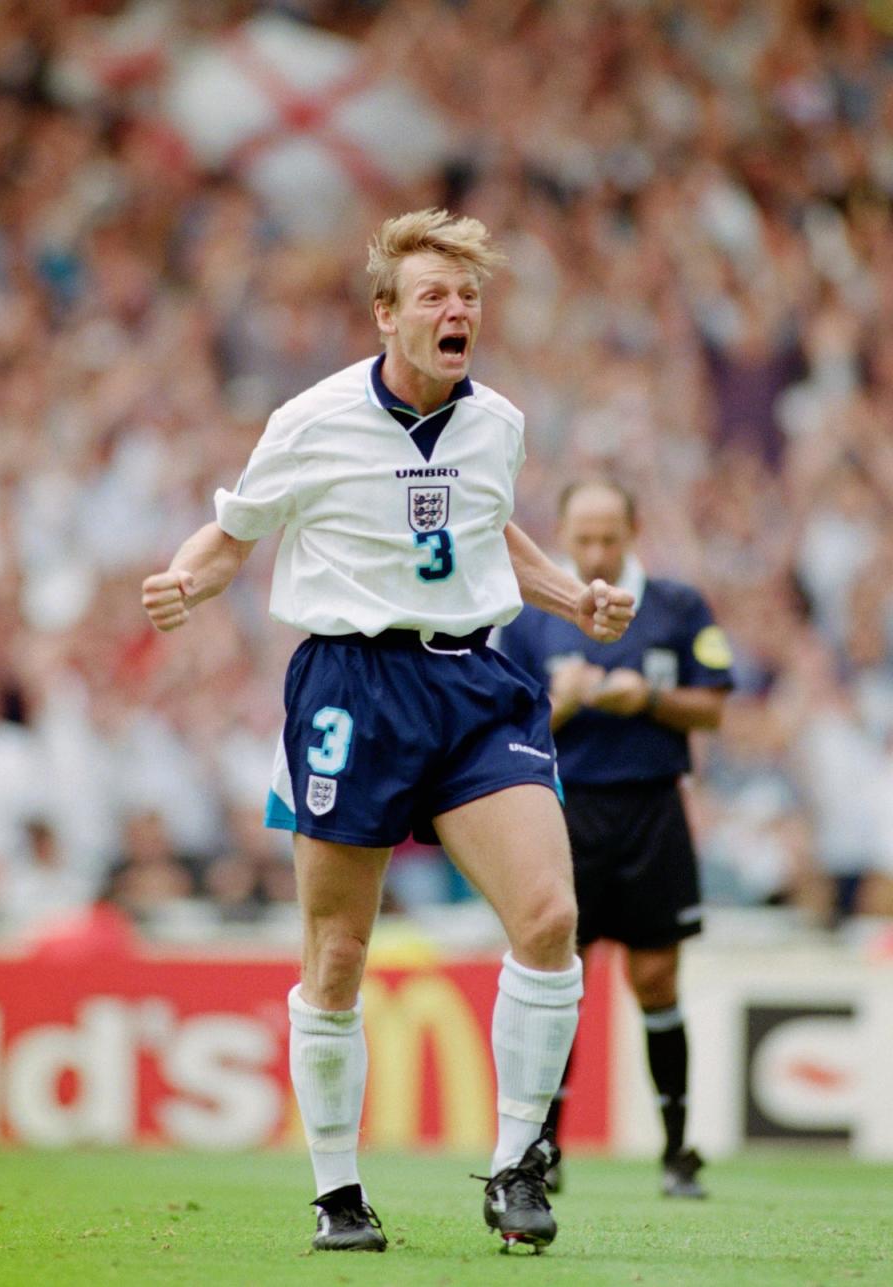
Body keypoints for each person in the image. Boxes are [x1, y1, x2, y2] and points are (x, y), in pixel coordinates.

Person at [142, 209, 635, 1255]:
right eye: (434, 296)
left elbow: (489, 525)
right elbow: (235, 534)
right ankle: (337, 1193)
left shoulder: (495, 420)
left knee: (548, 915)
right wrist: (186, 580)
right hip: (350, 688)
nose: (457, 311)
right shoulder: (310, 420)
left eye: (469, 297)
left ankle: (515, 1167)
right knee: (339, 951)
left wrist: (568, 598)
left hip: (471, 680)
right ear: (386, 315)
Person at [497, 479, 733, 1200]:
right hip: (561, 814)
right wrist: (559, 705)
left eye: (609, 536)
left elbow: (715, 707)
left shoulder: (678, 606)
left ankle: (677, 1151)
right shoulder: (531, 617)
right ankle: (545, 1147)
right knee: (559, 980)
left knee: (656, 979)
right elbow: (506, 724)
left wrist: (649, 698)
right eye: (584, 537)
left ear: (633, 530)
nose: (596, 550)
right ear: (562, 535)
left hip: (653, 809)